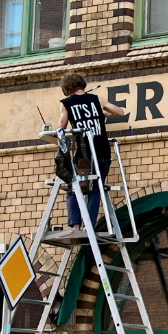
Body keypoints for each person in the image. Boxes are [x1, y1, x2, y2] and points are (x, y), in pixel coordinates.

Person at [51, 72, 126, 241]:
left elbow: (61, 127)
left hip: (83, 155)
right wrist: (104, 114)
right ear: (82, 84)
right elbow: (120, 112)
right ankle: (88, 226)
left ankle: (76, 226)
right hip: (102, 151)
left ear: (67, 88)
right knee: (96, 189)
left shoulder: (66, 104)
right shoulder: (97, 100)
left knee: (74, 188)